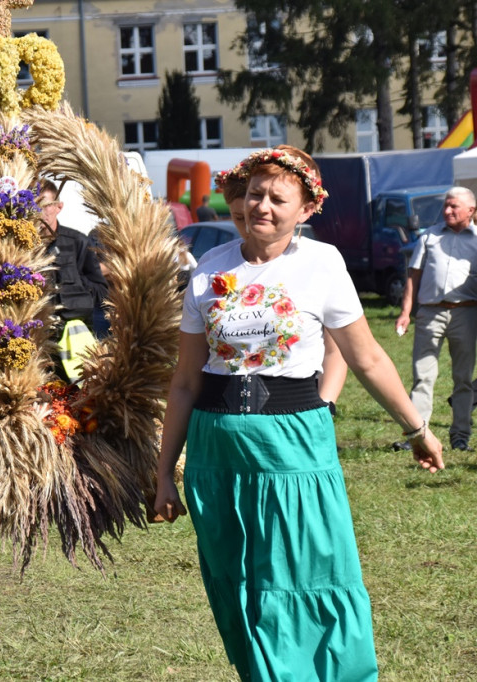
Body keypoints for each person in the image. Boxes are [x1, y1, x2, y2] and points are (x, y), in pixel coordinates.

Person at [156, 146, 444, 682]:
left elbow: (367, 357)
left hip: (294, 443)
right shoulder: (207, 272)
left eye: (277, 198)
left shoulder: (323, 263)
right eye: (254, 194)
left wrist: (417, 428)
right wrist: (164, 475)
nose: (261, 205)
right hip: (218, 448)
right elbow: (185, 382)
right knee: (237, 579)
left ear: (306, 209)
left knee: (310, 572)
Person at [215, 157, 348, 412]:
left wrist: (325, 403)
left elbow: (340, 349)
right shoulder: (219, 265)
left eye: (276, 201)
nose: (247, 226)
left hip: (297, 405)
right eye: (238, 218)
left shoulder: (318, 261)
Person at [395, 186, 477, 451]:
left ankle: (461, 435)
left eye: (454, 206)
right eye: (446, 205)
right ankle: (419, 435)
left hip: (466, 313)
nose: (448, 210)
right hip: (429, 313)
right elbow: (413, 275)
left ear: (471, 211)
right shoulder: (429, 237)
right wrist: (406, 312)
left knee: (463, 378)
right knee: (423, 376)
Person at [38, 179, 109, 379]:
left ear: (58, 207)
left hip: (75, 338)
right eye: (34, 205)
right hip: (38, 339)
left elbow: (100, 290)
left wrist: (76, 287)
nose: (40, 212)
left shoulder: (77, 241)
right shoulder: (21, 247)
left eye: (45, 205)